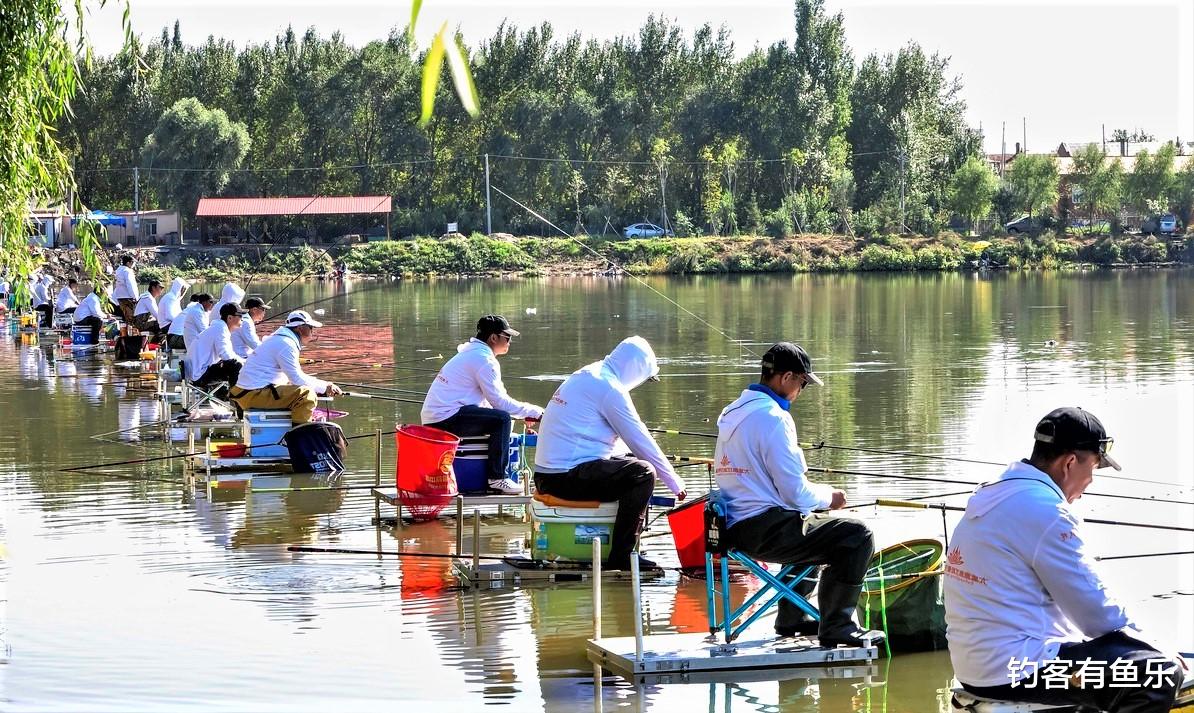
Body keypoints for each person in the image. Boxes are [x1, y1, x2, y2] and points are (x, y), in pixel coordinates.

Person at [945, 407, 1184, 711]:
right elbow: (1095, 612)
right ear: (1070, 462)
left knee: (1112, 655)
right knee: (1156, 673)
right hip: (1018, 671)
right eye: (1094, 468)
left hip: (980, 665)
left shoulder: (998, 493)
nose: (1091, 482)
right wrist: (1153, 646)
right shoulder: (1045, 511)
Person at [713, 342, 884, 648]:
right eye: (803, 383)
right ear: (787, 377)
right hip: (762, 530)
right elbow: (796, 494)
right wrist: (831, 497)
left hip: (733, 526)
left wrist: (817, 505)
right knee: (857, 535)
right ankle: (838, 625)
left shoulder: (734, 410)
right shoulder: (774, 418)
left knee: (812, 523)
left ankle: (793, 617)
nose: (801, 391)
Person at [533, 336, 687, 570]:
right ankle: (622, 556)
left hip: (548, 474)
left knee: (631, 463)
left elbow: (612, 442)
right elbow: (640, 439)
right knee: (643, 473)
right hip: (563, 478)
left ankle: (617, 540)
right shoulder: (610, 389)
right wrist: (675, 483)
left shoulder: (590, 374)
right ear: (636, 370)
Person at [421, 315, 544, 495]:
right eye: (507, 337)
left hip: (438, 417)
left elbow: (488, 403)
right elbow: (501, 404)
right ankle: (497, 479)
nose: (509, 341)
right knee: (502, 419)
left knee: (500, 418)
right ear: (493, 338)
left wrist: (522, 414)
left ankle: (495, 476)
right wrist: (537, 412)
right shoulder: (484, 360)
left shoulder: (471, 353)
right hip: (444, 419)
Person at [230, 310, 343, 423]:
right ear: (300, 328)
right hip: (252, 395)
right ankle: (300, 435)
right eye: (310, 327)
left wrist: (322, 386)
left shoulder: (281, 340)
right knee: (306, 395)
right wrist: (325, 386)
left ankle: (294, 427)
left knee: (299, 388)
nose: (312, 332)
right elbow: (297, 378)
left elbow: (294, 378)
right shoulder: (286, 344)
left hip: (249, 392)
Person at [187, 303, 246, 392]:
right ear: (230, 318)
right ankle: (237, 398)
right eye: (240, 316)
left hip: (195, 371)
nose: (242, 319)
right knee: (236, 365)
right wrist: (245, 363)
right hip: (199, 375)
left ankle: (225, 394)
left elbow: (227, 354)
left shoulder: (218, 328)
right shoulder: (220, 330)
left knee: (236, 364)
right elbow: (226, 355)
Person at [112, 254, 138, 322]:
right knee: (131, 317)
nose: (133, 265)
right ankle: (130, 331)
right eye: (132, 262)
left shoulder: (119, 270)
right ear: (128, 263)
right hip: (128, 297)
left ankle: (125, 330)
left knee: (125, 316)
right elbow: (130, 285)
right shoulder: (127, 271)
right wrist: (134, 297)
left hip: (119, 297)